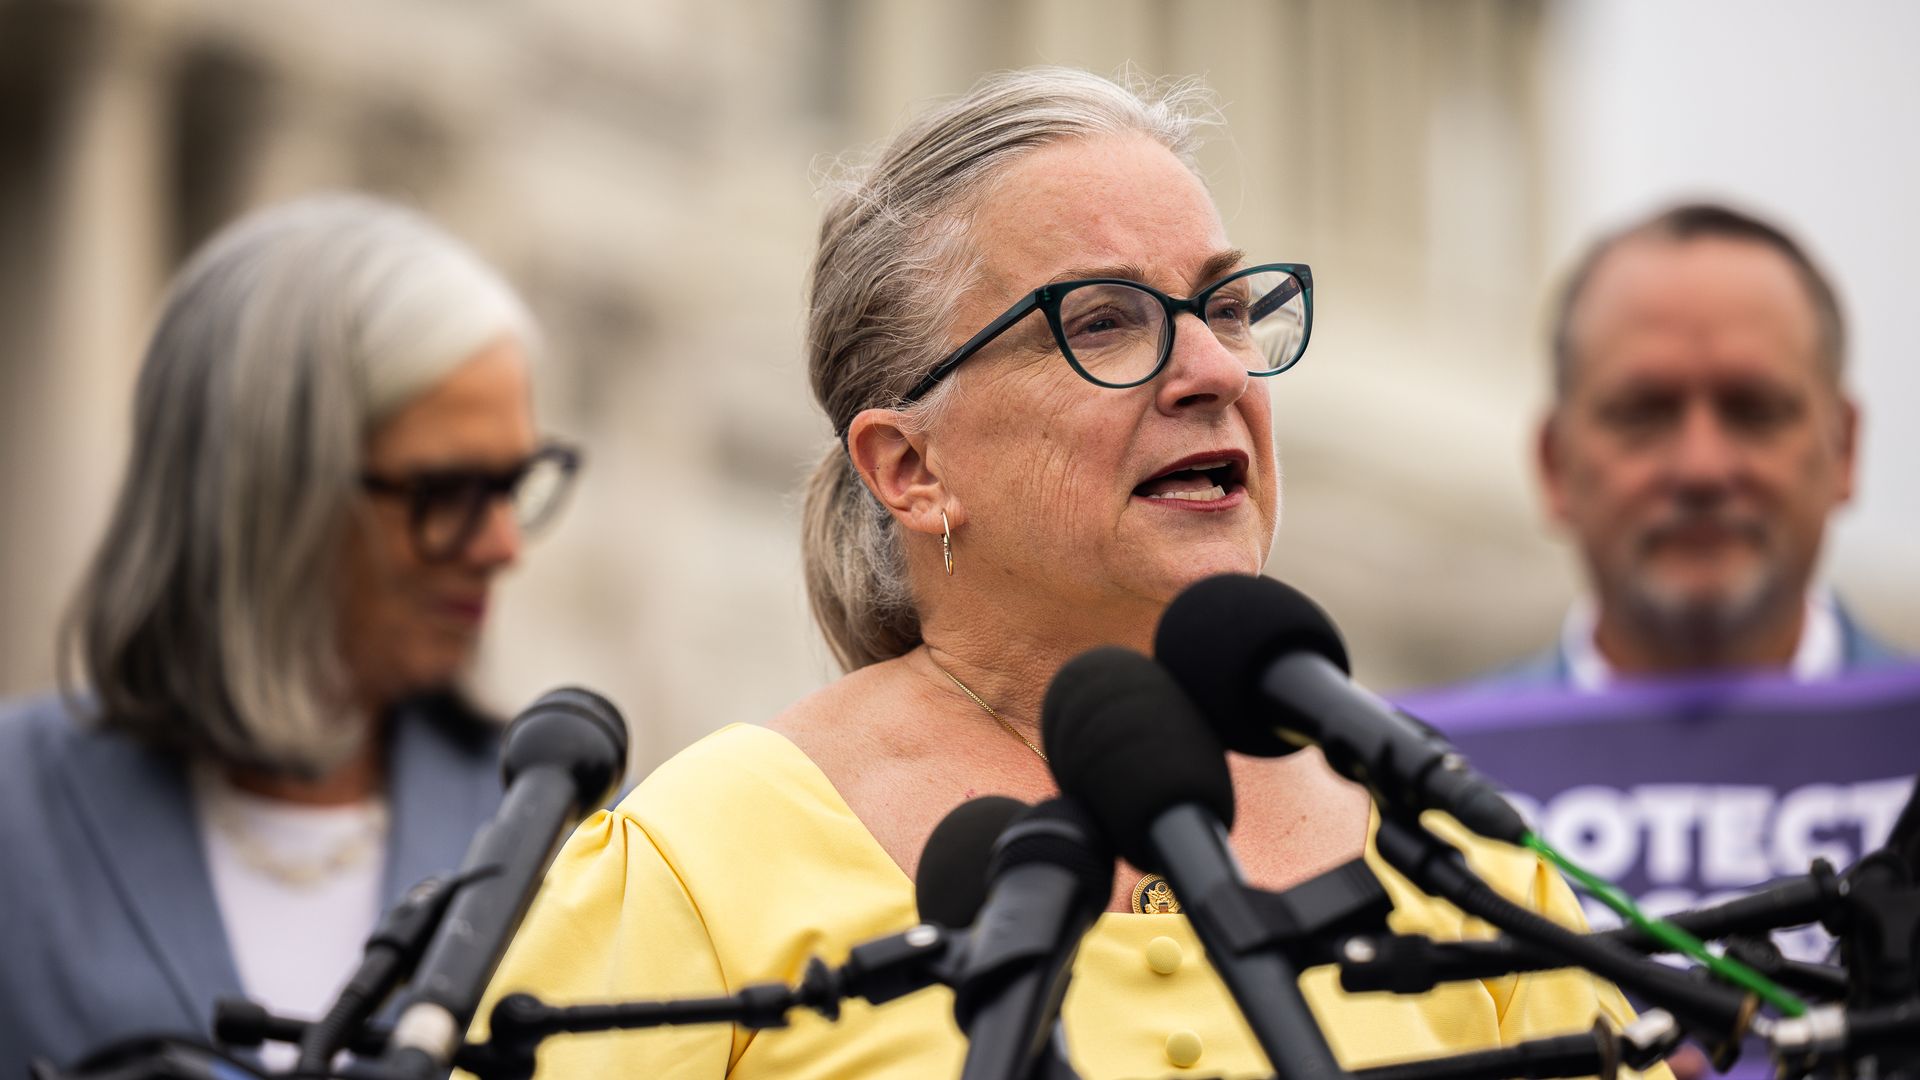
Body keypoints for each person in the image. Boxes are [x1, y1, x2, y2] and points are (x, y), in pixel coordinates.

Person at [481, 69, 1656, 1078]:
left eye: (1229, 307)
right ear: (910, 467)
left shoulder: (1448, 850)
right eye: (1102, 323)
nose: (1212, 370)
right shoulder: (702, 859)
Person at [0, 195, 582, 1071]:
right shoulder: (19, 821)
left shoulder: (573, 840)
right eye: (449, 493)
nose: (503, 546)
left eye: (517, 484)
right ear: (267, 496)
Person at [1481, 203, 1902, 691]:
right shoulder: (1423, 764)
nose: (1701, 468)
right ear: (1554, 465)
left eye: (1754, 410)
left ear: (1844, 450)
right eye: (1642, 413)